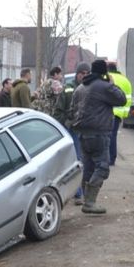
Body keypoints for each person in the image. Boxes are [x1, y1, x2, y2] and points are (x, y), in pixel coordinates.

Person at [70, 59, 127, 215]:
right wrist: (111, 82)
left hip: (82, 134)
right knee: (102, 167)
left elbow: (72, 110)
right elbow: (121, 99)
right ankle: (89, 203)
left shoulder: (80, 88)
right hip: (99, 133)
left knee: (88, 167)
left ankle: (85, 200)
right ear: (104, 72)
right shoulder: (104, 86)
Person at [54, 62, 89, 205]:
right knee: (77, 160)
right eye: (83, 73)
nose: (85, 76)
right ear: (78, 74)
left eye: (87, 73)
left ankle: (82, 191)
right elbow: (58, 112)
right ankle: (78, 193)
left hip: (86, 130)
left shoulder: (90, 88)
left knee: (86, 161)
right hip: (72, 130)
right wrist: (65, 125)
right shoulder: (68, 89)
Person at [107, 62, 132, 166]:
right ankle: (112, 158)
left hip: (107, 111)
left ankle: (108, 158)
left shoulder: (107, 77)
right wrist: (124, 113)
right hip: (118, 113)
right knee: (113, 135)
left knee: (106, 135)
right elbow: (129, 98)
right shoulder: (125, 80)